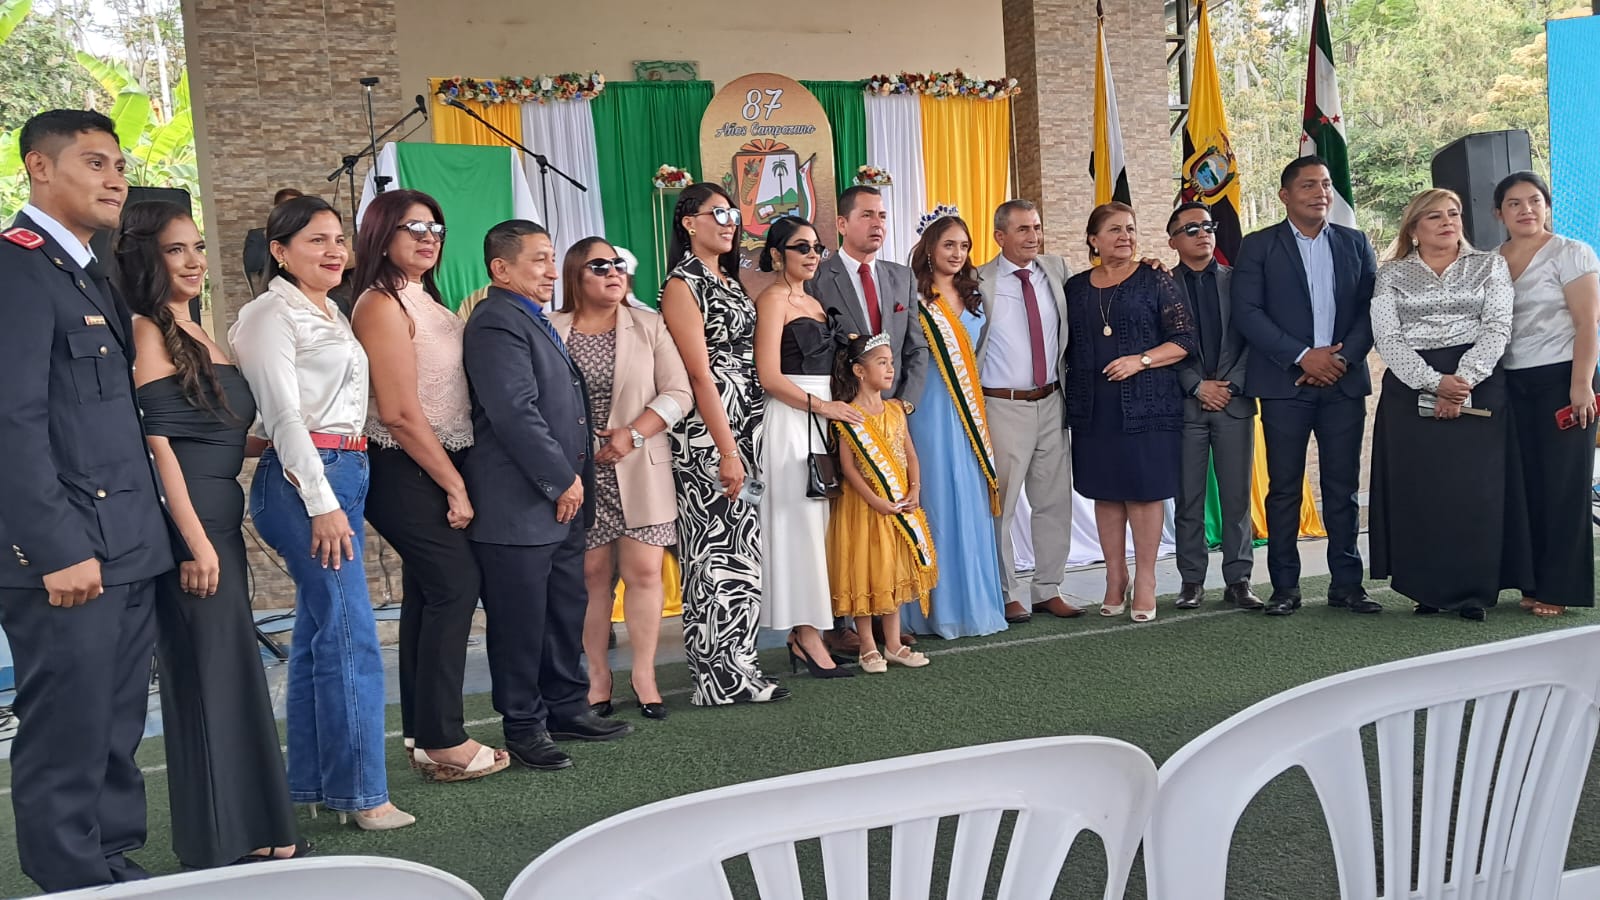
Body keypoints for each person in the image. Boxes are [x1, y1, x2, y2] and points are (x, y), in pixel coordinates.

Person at [0, 109, 175, 892]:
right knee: (67, 730)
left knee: (115, 724)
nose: (116, 180)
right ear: (39, 167)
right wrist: (55, 548)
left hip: (125, 541)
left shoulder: (90, 269)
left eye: (120, 165)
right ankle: (70, 879)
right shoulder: (15, 269)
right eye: (95, 163)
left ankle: (111, 860)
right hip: (68, 551)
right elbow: (11, 423)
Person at [117, 201, 304, 866]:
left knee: (231, 672)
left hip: (219, 516)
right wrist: (194, 544)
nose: (195, 260)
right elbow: (158, 446)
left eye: (197, 247)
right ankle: (221, 840)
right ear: (146, 257)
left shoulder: (197, 329)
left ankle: (259, 827)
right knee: (205, 677)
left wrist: (281, 447)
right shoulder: (144, 328)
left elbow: (214, 429)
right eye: (177, 249)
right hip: (189, 526)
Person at [231, 196, 413, 831]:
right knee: (350, 634)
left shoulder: (329, 309)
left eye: (339, 239)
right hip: (307, 483)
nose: (335, 251)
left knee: (317, 633)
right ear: (280, 251)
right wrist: (321, 503)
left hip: (344, 469)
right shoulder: (268, 315)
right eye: (316, 240)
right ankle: (364, 795)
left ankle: (314, 783)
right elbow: (283, 417)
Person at [463, 220, 633, 769]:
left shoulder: (530, 317)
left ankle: (566, 707)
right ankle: (523, 725)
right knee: (520, 623)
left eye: (551, 258)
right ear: (501, 269)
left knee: (563, 610)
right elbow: (514, 412)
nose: (550, 271)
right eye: (537, 259)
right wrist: (560, 479)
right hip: (520, 500)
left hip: (561, 500)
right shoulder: (495, 321)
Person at [351, 189, 508, 782]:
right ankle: (444, 738)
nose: (428, 238)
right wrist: (454, 486)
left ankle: (423, 733)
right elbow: (397, 412)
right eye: (413, 227)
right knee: (454, 585)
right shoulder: (380, 303)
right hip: (404, 464)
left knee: (428, 591)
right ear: (381, 234)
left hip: (441, 459)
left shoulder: (425, 298)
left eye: (436, 228)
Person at [1232, 156, 1381, 617]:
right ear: (1285, 195)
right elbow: (1247, 313)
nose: (1321, 193)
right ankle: (1285, 588)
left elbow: (1371, 310)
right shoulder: (1258, 246)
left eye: (1326, 184)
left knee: (1342, 489)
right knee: (1284, 491)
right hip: (1284, 385)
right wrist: (1303, 356)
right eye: (1309, 185)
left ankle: (1347, 585)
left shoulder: (1355, 243)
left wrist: (1340, 359)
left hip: (1342, 383)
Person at [550, 237, 692, 718]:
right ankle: (598, 675)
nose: (613, 272)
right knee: (591, 577)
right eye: (599, 266)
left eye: (618, 264)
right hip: (579, 472)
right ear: (575, 275)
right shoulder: (551, 329)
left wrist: (632, 433)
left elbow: (680, 392)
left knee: (645, 573)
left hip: (639, 464)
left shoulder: (649, 325)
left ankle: (644, 674)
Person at [658, 183, 789, 705]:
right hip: (708, 435)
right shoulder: (682, 284)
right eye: (718, 213)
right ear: (689, 222)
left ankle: (741, 666)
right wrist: (727, 448)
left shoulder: (728, 280)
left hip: (743, 427)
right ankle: (716, 679)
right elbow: (698, 374)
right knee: (713, 555)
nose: (730, 222)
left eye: (733, 214)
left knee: (742, 552)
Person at [1368, 188, 1523, 621]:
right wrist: (1434, 384)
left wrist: (1463, 382)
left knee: (1475, 492)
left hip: (1481, 381)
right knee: (1423, 492)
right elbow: (1387, 338)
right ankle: (1427, 590)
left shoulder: (1489, 264)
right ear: (1414, 228)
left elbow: (1498, 327)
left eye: (1453, 213)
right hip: (1410, 387)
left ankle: (1475, 591)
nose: (1447, 222)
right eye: (1434, 216)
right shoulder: (1391, 273)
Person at [809, 185, 930, 653]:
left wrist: (904, 406)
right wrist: (841, 408)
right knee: (847, 519)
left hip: (891, 418)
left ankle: (889, 618)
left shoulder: (900, 276)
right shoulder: (820, 277)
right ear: (842, 224)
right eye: (866, 215)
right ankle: (840, 622)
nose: (877, 223)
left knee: (890, 514)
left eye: (882, 215)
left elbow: (915, 347)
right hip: (840, 415)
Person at [1065, 202, 1196, 623]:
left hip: (1148, 403)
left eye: (1131, 229)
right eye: (1115, 229)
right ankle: (1115, 576)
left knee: (1144, 491)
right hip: (1093, 406)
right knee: (1106, 492)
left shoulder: (1156, 278)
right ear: (1093, 239)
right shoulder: (1075, 287)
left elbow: (1184, 340)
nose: (1125, 236)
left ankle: (1146, 580)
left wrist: (1140, 361)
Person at [753, 217, 857, 677]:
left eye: (817, 247)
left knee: (819, 527)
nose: (813, 255)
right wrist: (823, 407)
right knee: (799, 526)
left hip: (822, 416)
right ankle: (807, 636)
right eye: (802, 247)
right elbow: (768, 376)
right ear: (777, 254)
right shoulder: (772, 300)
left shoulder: (813, 301)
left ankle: (809, 632)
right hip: (790, 418)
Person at [1495, 171, 1600, 617]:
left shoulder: (1571, 252)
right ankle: (1532, 581)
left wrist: (1581, 386)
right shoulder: (1490, 261)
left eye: (1535, 201)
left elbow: (1588, 323)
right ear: (1498, 213)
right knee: (1525, 487)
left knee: (1563, 487)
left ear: (1547, 206)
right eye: (1515, 203)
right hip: (1510, 384)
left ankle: (1560, 587)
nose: (1526, 210)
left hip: (1564, 379)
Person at [901, 213, 1009, 639]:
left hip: (968, 411)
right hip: (927, 410)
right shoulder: (912, 294)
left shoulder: (973, 292)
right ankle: (931, 609)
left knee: (968, 500)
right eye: (949, 244)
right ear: (930, 248)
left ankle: (972, 605)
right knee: (936, 500)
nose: (957, 253)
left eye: (964, 246)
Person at [974, 199, 1080, 623]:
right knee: (1001, 505)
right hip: (1002, 405)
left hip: (1053, 401)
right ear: (999, 236)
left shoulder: (1057, 269)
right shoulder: (978, 280)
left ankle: (1048, 588)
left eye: (1036, 227)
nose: (1033, 236)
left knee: (1054, 501)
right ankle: (1006, 591)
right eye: (1023, 229)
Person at [1167, 202, 1262, 611]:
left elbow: (1254, 337)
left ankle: (1239, 580)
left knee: (1236, 498)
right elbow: (1159, 345)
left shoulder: (1239, 281)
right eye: (1191, 229)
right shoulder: (1162, 286)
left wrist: (1232, 384)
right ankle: (1191, 581)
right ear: (1173, 241)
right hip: (1185, 407)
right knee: (1188, 499)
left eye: (1208, 226)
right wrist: (1195, 385)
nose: (1203, 233)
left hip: (1233, 402)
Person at [827, 333, 938, 673]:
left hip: (897, 506)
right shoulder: (849, 414)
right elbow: (848, 469)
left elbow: (911, 454)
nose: (890, 369)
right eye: (882, 363)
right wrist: (875, 499)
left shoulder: (895, 410)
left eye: (891, 362)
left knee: (892, 571)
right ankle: (867, 646)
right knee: (864, 571)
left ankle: (893, 644)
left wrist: (915, 490)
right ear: (859, 371)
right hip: (863, 508)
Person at [243, 187, 303, 296]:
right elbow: (253, 266)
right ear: (277, 209)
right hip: (275, 293)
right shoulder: (258, 236)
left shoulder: (306, 236)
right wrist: (270, 235)